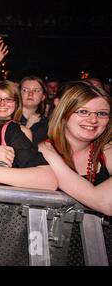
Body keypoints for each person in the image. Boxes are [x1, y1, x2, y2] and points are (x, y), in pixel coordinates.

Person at [39, 83, 112, 215]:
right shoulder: (46, 152)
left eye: (102, 113)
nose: (93, 120)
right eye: (83, 111)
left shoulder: (107, 151)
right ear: (64, 114)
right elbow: (103, 202)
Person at [17, 76, 49, 145]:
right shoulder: (8, 119)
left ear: (43, 97)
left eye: (36, 90)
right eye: (25, 90)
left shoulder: (47, 124)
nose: (30, 94)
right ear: (18, 94)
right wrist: (28, 126)